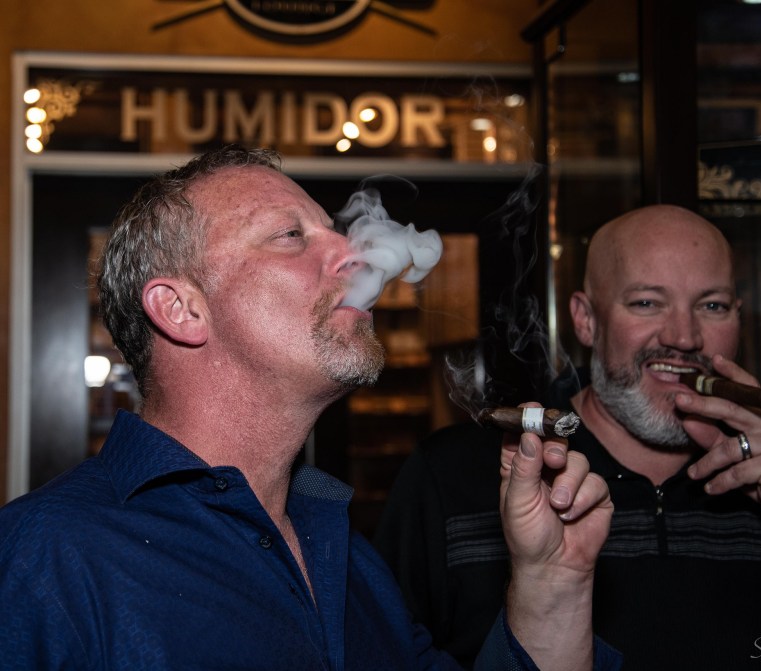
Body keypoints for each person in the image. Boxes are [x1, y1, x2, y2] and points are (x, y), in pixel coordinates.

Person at [0, 145, 621, 670]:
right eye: (291, 235)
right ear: (181, 309)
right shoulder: (46, 558)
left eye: (337, 232)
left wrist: (552, 582)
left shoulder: (347, 561)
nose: (357, 255)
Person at [375, 204, 761, 670]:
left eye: (712, 305)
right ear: (586, 319)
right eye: (647, 303)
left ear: (739, 317)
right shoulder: (454, 475)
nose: (684, 337)